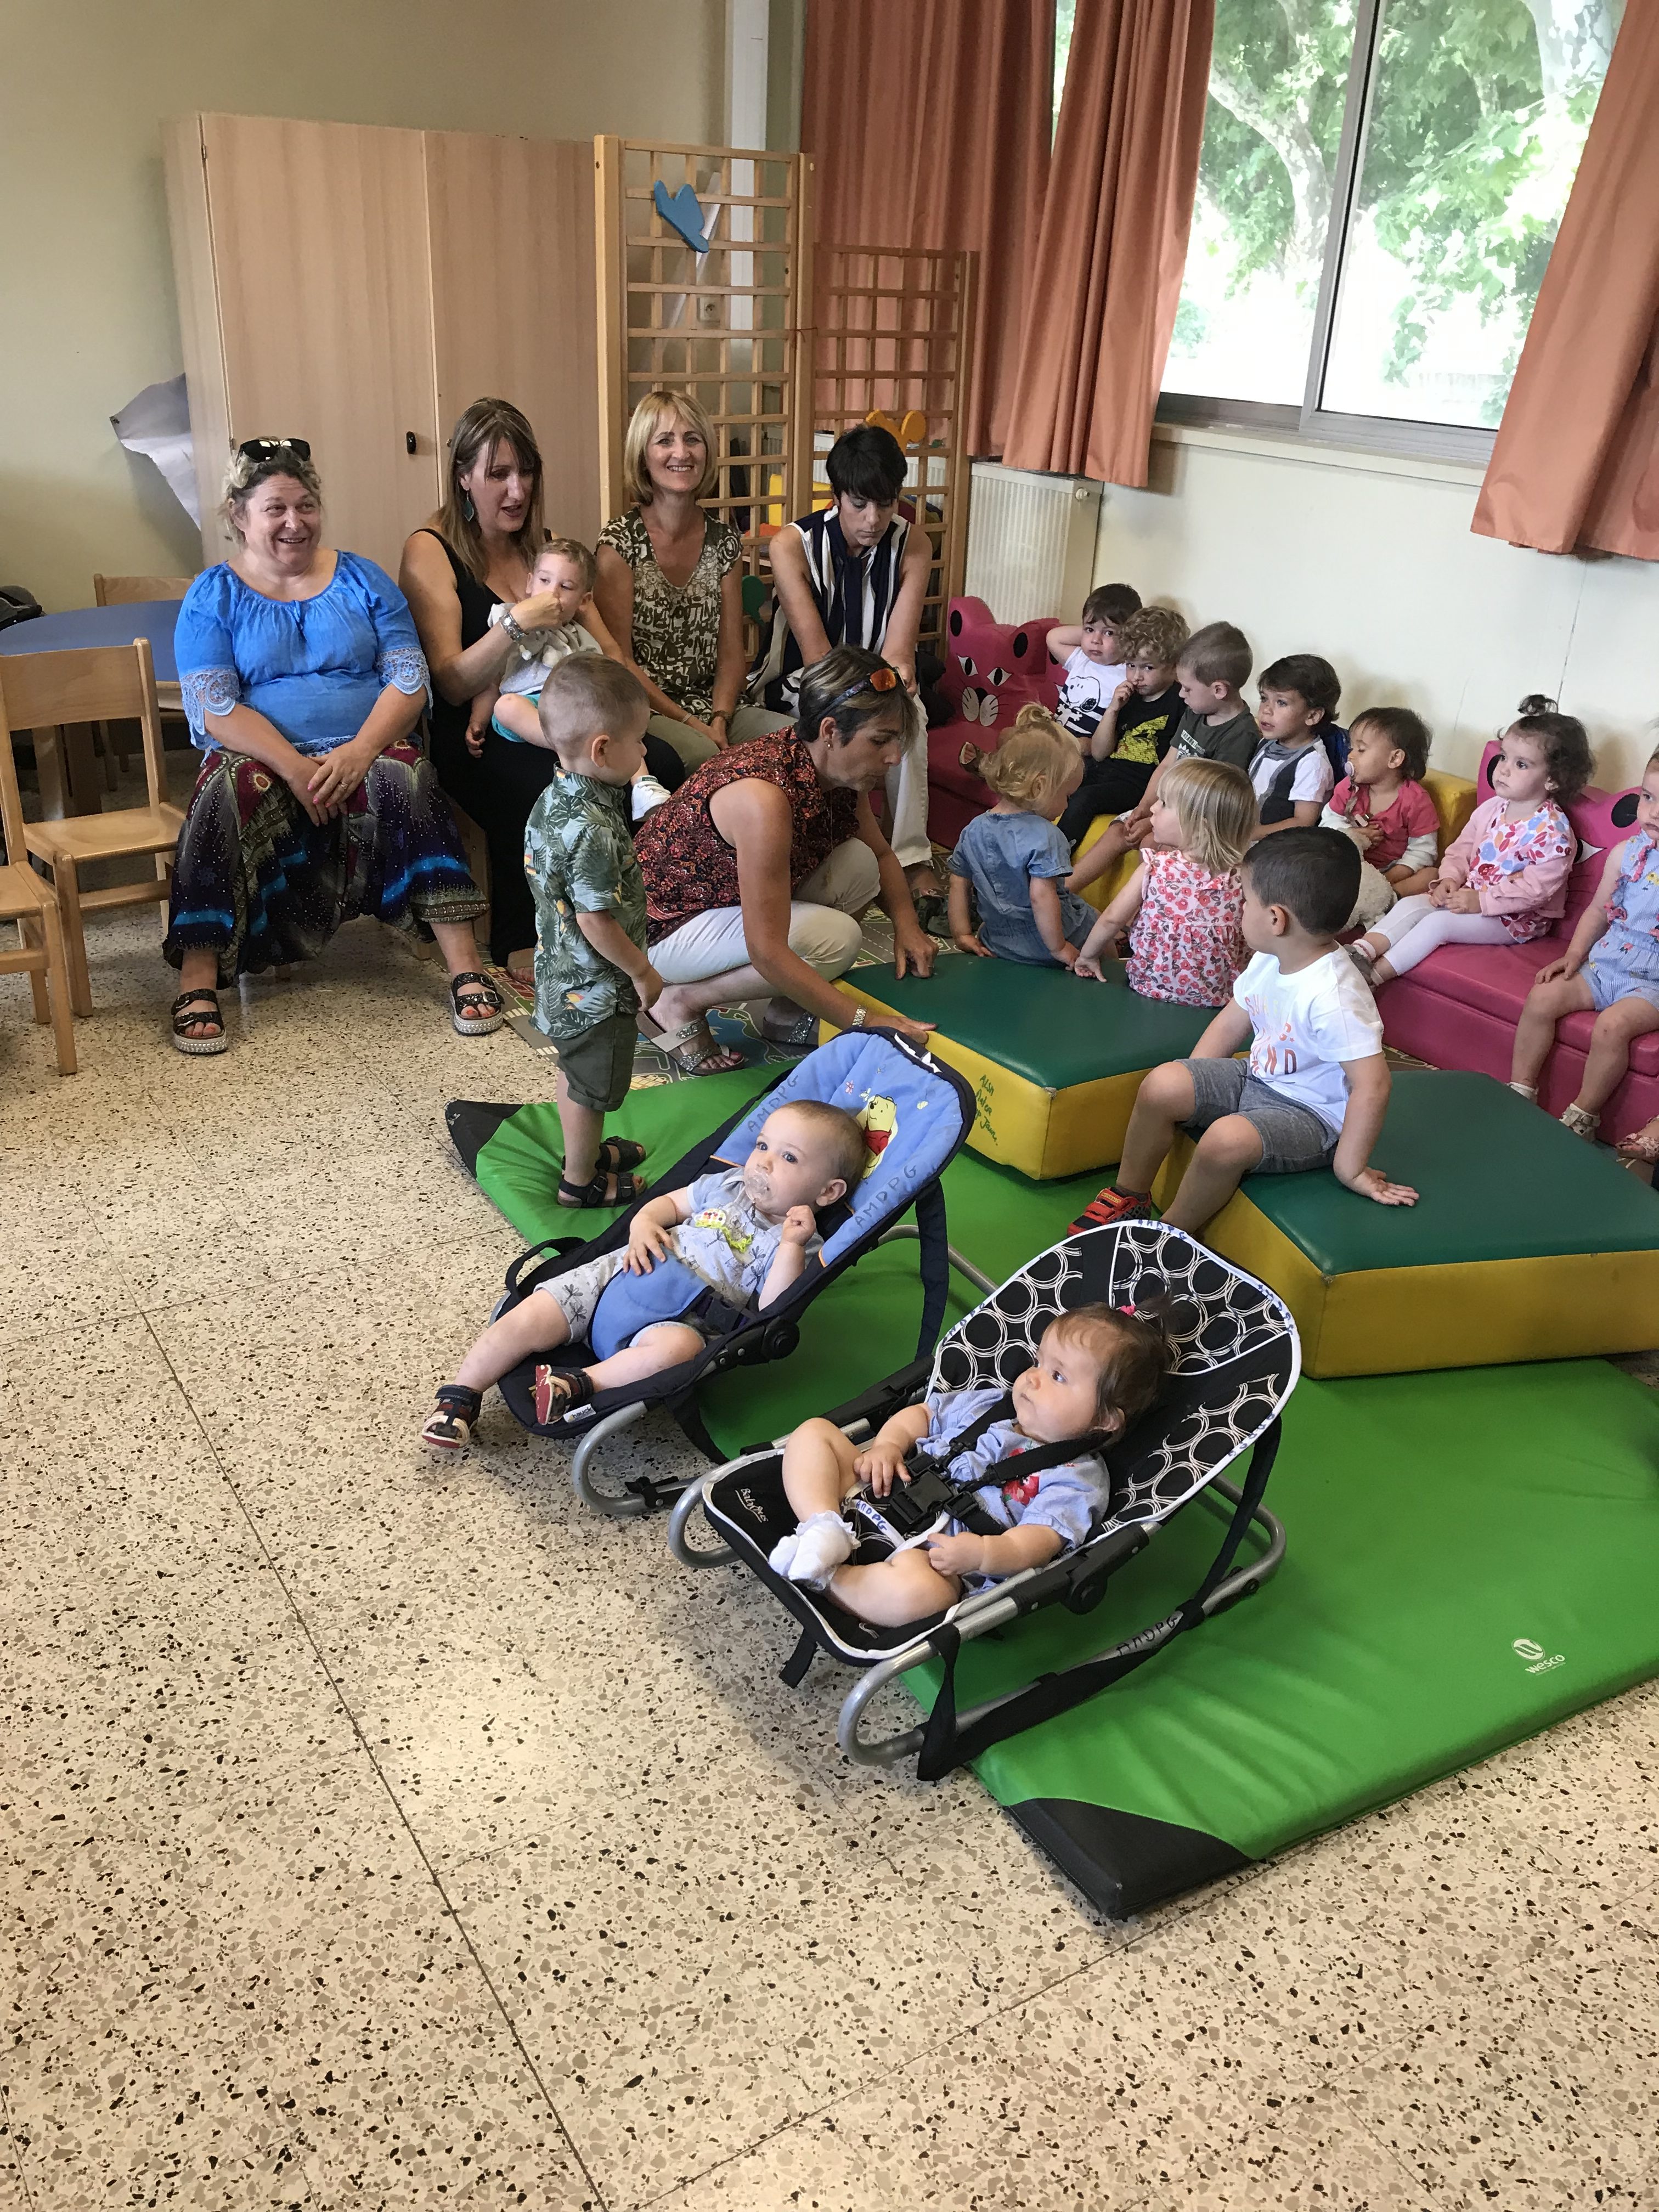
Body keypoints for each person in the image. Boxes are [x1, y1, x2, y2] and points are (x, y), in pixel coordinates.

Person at [165, 441, 499, 1056]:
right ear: (238, 515)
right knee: (223, 793)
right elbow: (215, 707)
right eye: (275, 509)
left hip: (366, 746)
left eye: (306, 506)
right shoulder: (213, 595)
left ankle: (464, 966)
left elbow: (409, 678)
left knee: (410, 778)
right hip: (261, 756)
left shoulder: (363, 578)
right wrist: (294, 767)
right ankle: (198, 977)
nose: (295, 522)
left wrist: (360, 752)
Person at [402, 398, 687, 980]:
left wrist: (636, 708)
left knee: (661, 762)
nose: (517, 491)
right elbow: (451, 683)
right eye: (498, 474)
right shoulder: (431, 549)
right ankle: (525, 934)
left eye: (526, 472)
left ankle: (637, 915)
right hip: (481, 729)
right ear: (463, 477)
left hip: (570, 713)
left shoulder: (548, 547)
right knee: (545, 782)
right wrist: (514, 623)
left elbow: (603, 647)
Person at [422, 1099, 867, 1447]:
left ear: (828, 1192)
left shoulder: (802, 1244)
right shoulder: (725, 1186)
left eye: (788, 1158)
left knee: (682, 1349)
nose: (763, 1163)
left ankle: (581, 1384)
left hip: (680, 1319)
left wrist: (790, 1246)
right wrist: (643, 1224)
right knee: (532, 1313)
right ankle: (460, 1396)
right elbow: (669, 1205)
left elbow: (773, 1309)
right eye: (763, 1146)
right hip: (621, 1274)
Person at [1070, 828, 1419, 1238]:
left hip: (1310, 1117)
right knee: (1163, 1083)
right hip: (1257, 1078)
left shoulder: (1335, 994)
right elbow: (1232, 1020)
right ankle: (1129, 1195)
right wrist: (1196, 1083)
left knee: (1225, 1139)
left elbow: (1374, 1085)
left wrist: (1351, 1168)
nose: (1240, 908)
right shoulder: (1272, 957)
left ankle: (1168, 1236)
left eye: (1246, 901)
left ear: (1275, 919)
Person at [767, 1304, 1173, 1624]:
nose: (1032, 1378)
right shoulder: (990, 1405)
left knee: (927, 1594)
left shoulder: (1079, 1479)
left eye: (1058, 1377)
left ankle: (829, 1576)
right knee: (815, 1433)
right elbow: (923, 1415)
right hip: (878, 1488)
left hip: (928, 1557)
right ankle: (822, 1525)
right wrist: (888, 1446)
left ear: (1105, 1420)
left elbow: (1037, 1543)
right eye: (1038, 1362)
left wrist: (982, 1555)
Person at [634, 647, 938, 1071]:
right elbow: (767, 951)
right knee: (835, 939)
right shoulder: (764, 797)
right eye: (880, 740)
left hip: (719, 904)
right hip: (655, 932)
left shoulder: (836, 769)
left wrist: (907, 926)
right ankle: (678, 1001)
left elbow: (882, 853)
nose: (894, 757)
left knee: (860, 863)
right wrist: (866, 1022)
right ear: (830, 730)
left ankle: (785, 1012)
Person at [752, 422, 943, 904]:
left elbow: (898, 651)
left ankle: (909, 857)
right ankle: (859, 847)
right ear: (836, 496)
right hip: (804, 683)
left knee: (912, 714)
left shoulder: (914, 544)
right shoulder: (792, 546)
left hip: (877, 680)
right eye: (859, 504)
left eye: (886, 503)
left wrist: (897, 683)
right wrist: (871, 698)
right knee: (858, 719)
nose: (873, 519)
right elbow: (819, 661)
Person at [519, 658, 663, 1214]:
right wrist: (641, 971)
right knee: (592, 1085)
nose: (645, 751)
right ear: (603, 750)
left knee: (576, 1071)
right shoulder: (595, 829)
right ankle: (580, 1181)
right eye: (640, 741)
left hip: (559, 970)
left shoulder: (554, 798)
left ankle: (586, 1151)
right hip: (596, 988)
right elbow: (595, 920)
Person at [595, 388, 792, 772]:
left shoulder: (725, 541)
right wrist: (691, 723)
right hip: (646, 709)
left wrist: (719, 717)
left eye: (692, 439)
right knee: (703, 756)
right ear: (643, 455)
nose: (681, 453)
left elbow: (731, 652)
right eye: (664, 441)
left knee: (796, 745)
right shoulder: (619, 544)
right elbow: (620, 663)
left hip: (716, 706)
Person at [1350, 700, 1591, 989]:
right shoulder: (1493, 807)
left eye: (1521, 764)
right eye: (1504, 757)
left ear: (1552, 780)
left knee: (1438, 924)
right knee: (1413, 904)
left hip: (1515, 920)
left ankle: (1372, 979)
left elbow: (1535, 891)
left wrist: (1482, 902)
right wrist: (1449, 879)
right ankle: (1359, 954)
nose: (1503, 770)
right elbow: (1461, 849)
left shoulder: (1553, 832)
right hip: (1468, 894)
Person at [1509, 748, 1659, 1139]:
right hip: (1605, 964)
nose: (1654, 813)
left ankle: (1583, 1116)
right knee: (1542, 997)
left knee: (1612, 1026)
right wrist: (1574, 955)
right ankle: (1519, 1091)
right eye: (1648, 797)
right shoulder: (1627, 853)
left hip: (1651, 984)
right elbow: (1597, 910)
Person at [1073, 758, 1255, 1007]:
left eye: (1165, 803)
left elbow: (1112, 919)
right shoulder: (1245, 877)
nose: (1154, 808)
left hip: (1149, 985)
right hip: (1219, 996)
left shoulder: (1156, 867)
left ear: (1199, 827)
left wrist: (1087, 956)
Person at [946, 709, 1095, 967]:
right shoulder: (1047, 836)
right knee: (1095, 923)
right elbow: (1041, 897)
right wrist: (1059, 948)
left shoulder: (973, 829)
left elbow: (958, 882)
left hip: (997, 942)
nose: (1066, 806)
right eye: (1066, 796)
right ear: (1040, 787)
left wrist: (962, 934)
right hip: (1050, 942)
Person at [1058, 605, 1188, 849]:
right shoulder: (1129, 695)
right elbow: (1099, 753)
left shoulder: (1181, 701)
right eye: (1131, 665)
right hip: (1105, 770)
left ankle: (1054, 859)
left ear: (1174, 666)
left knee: (1086, 798)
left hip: (1138, 785)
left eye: (1148, 667)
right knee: (1055, 780)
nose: (1136, 676)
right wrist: (1113, 710)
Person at [1319, 708, 1439, 928]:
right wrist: (1351, 834)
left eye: (1361, 750)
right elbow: (1328, 820)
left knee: (1431, 875)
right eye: (1352, 748)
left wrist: (1392, 877)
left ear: (1394, 759)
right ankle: (1363, 899)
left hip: (1391, 870)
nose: (1351, 756)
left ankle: (1389, 898)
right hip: (1350, 863)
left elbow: (1423, 850)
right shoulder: (1349, 787)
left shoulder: (1416, 800)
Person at [1045, 582, 1141, 753]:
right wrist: (1095, 629)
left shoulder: (1129, 673)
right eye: (1089, 630)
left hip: (1088, 747)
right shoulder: (1081, 659)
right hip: (1057, 740)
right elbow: (1053, 637)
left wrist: (1097, 628)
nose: (1096, 640)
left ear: (1129, 636)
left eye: (1109, 633)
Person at [1249, 656, 1340, 836]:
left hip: (1274, 846)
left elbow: (1303, 822)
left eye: (1281, 702)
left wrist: (1250, 834)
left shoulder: (1312, 763)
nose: (1266, 709)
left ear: (1312, 716)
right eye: (1264, 698)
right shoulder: (1267, 742)